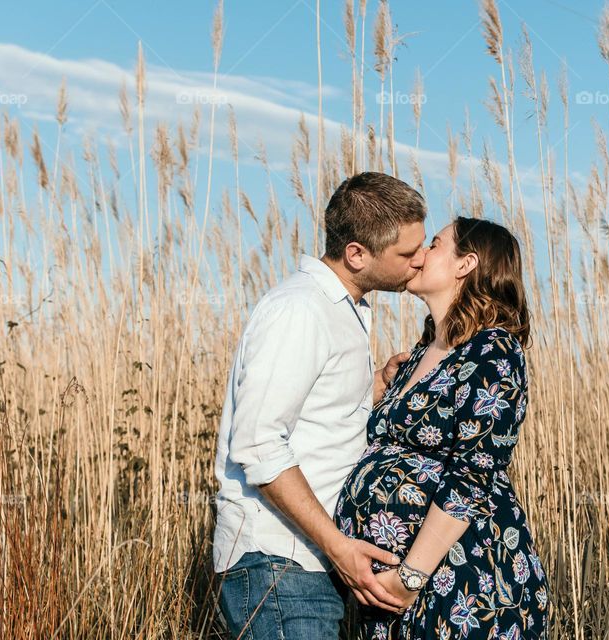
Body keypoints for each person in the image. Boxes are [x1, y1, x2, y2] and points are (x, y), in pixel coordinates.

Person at [212, 171, 429, 639]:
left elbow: (317, 411)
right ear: (357, 254)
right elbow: (257, 443)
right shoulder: (300, 310)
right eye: (408, 254)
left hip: (307, 563)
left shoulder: (344, 308)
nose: (421, 260)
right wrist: (338, 546)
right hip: (277, 563)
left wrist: (377, 386)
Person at [334, 217, 552, 639]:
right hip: (394, 593)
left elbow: (473, 475)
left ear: (465, 264)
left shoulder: (493, 350)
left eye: (434, 244)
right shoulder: (422, 351)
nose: (419, 255)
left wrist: (410, 577)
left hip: (465, 583)